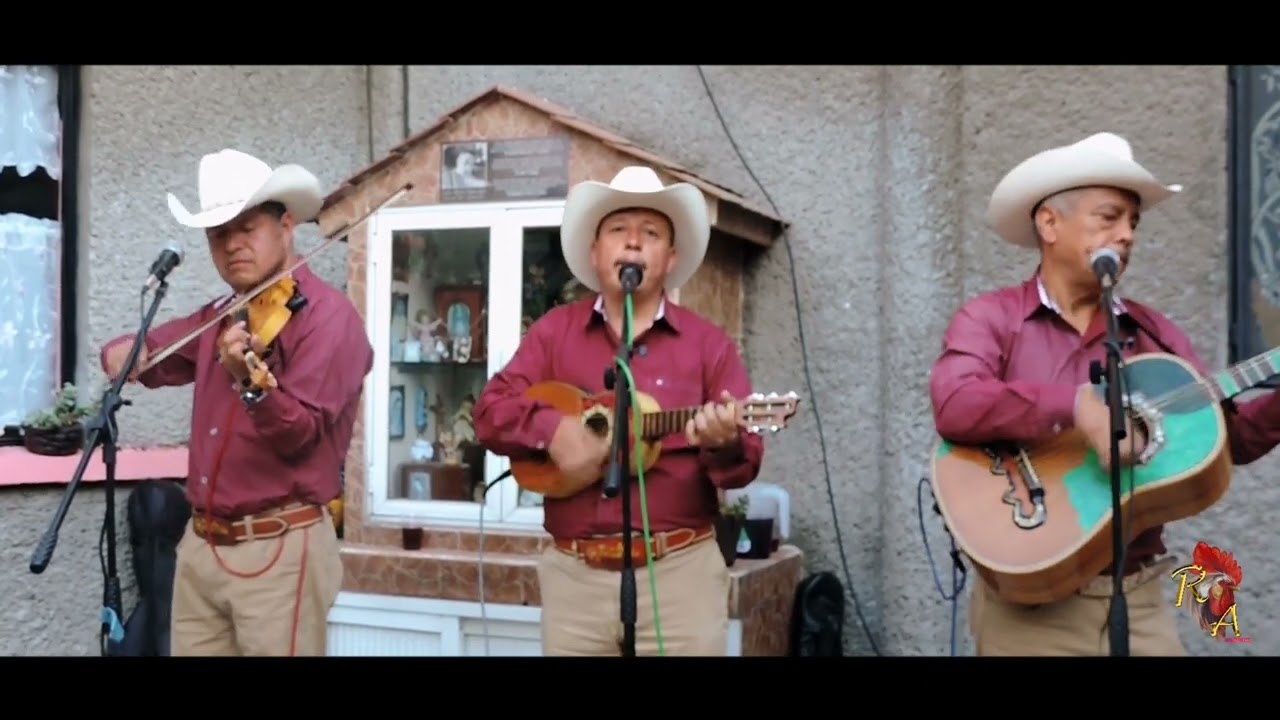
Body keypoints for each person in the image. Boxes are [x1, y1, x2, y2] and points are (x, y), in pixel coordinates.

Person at [929, 132, 1280, 656]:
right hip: (1030, 602)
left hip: (1137, 592)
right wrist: (1074, 408)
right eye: (1108, 217)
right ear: (1050, 224)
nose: (1127, 235)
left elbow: (1228, 441)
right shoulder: (993, 319)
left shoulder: (1154, 335)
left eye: (1133, 223)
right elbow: (955, 400)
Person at [473, 165, 764, 656]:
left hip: (679, 577)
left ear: (670, 258)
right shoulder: (553, 334)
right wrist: (551, 431)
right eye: (617, 231)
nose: (632, 243)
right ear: (596, 251)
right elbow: (490, 413)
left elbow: (746, 461)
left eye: (649, 233)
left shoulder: (708, 346)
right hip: (575, 580)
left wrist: (725, 441)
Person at [99, 148, 373, 656]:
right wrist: (122, 353)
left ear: (286, 226)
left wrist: (250, 382)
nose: (232, 245)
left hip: (278, 546)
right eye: (218, 234)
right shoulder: (222, 314)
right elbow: (157, 353)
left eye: (246, 229)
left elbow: (298, 432)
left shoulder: (330, 320)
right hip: (203, 543)